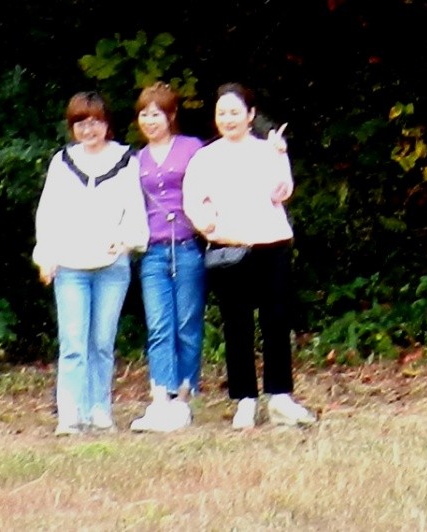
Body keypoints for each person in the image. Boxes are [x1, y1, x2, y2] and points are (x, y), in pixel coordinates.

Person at [183, 82, 315, 428]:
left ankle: (280, 397)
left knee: (276, 319)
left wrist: (280, 154)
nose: (228, 119)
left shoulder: (267, 150)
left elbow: (282, 192)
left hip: (271, 243)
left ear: (251, 116)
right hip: (229, 249)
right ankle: (244, 399)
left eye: (235, 112)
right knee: (236, 324)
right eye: (221, 113)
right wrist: (208, 226)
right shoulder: (205, 157)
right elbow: (193, 202)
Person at [33, 88, 148, 434]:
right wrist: (46, 257)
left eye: (95, 122)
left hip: (112, 267)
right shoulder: (62, 161)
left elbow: (135, 211)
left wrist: (125, 240)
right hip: (70, 267)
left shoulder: (127, 160)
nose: (88, 129)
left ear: (106, 124)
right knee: (73, 342)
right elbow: (48, 213)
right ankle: (70, 414)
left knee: (101, 342)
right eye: (81, 123)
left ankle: (99, 408)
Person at [130, 80, 208, 429]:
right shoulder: (135, 160)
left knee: (187, 324)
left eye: (156, 114)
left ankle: (184, 394)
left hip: (189, 247)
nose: (150, 121)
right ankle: (160, 396)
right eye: (144, 115)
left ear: (171, 115)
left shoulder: (192, 148)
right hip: (154, 251)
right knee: (160, 325)